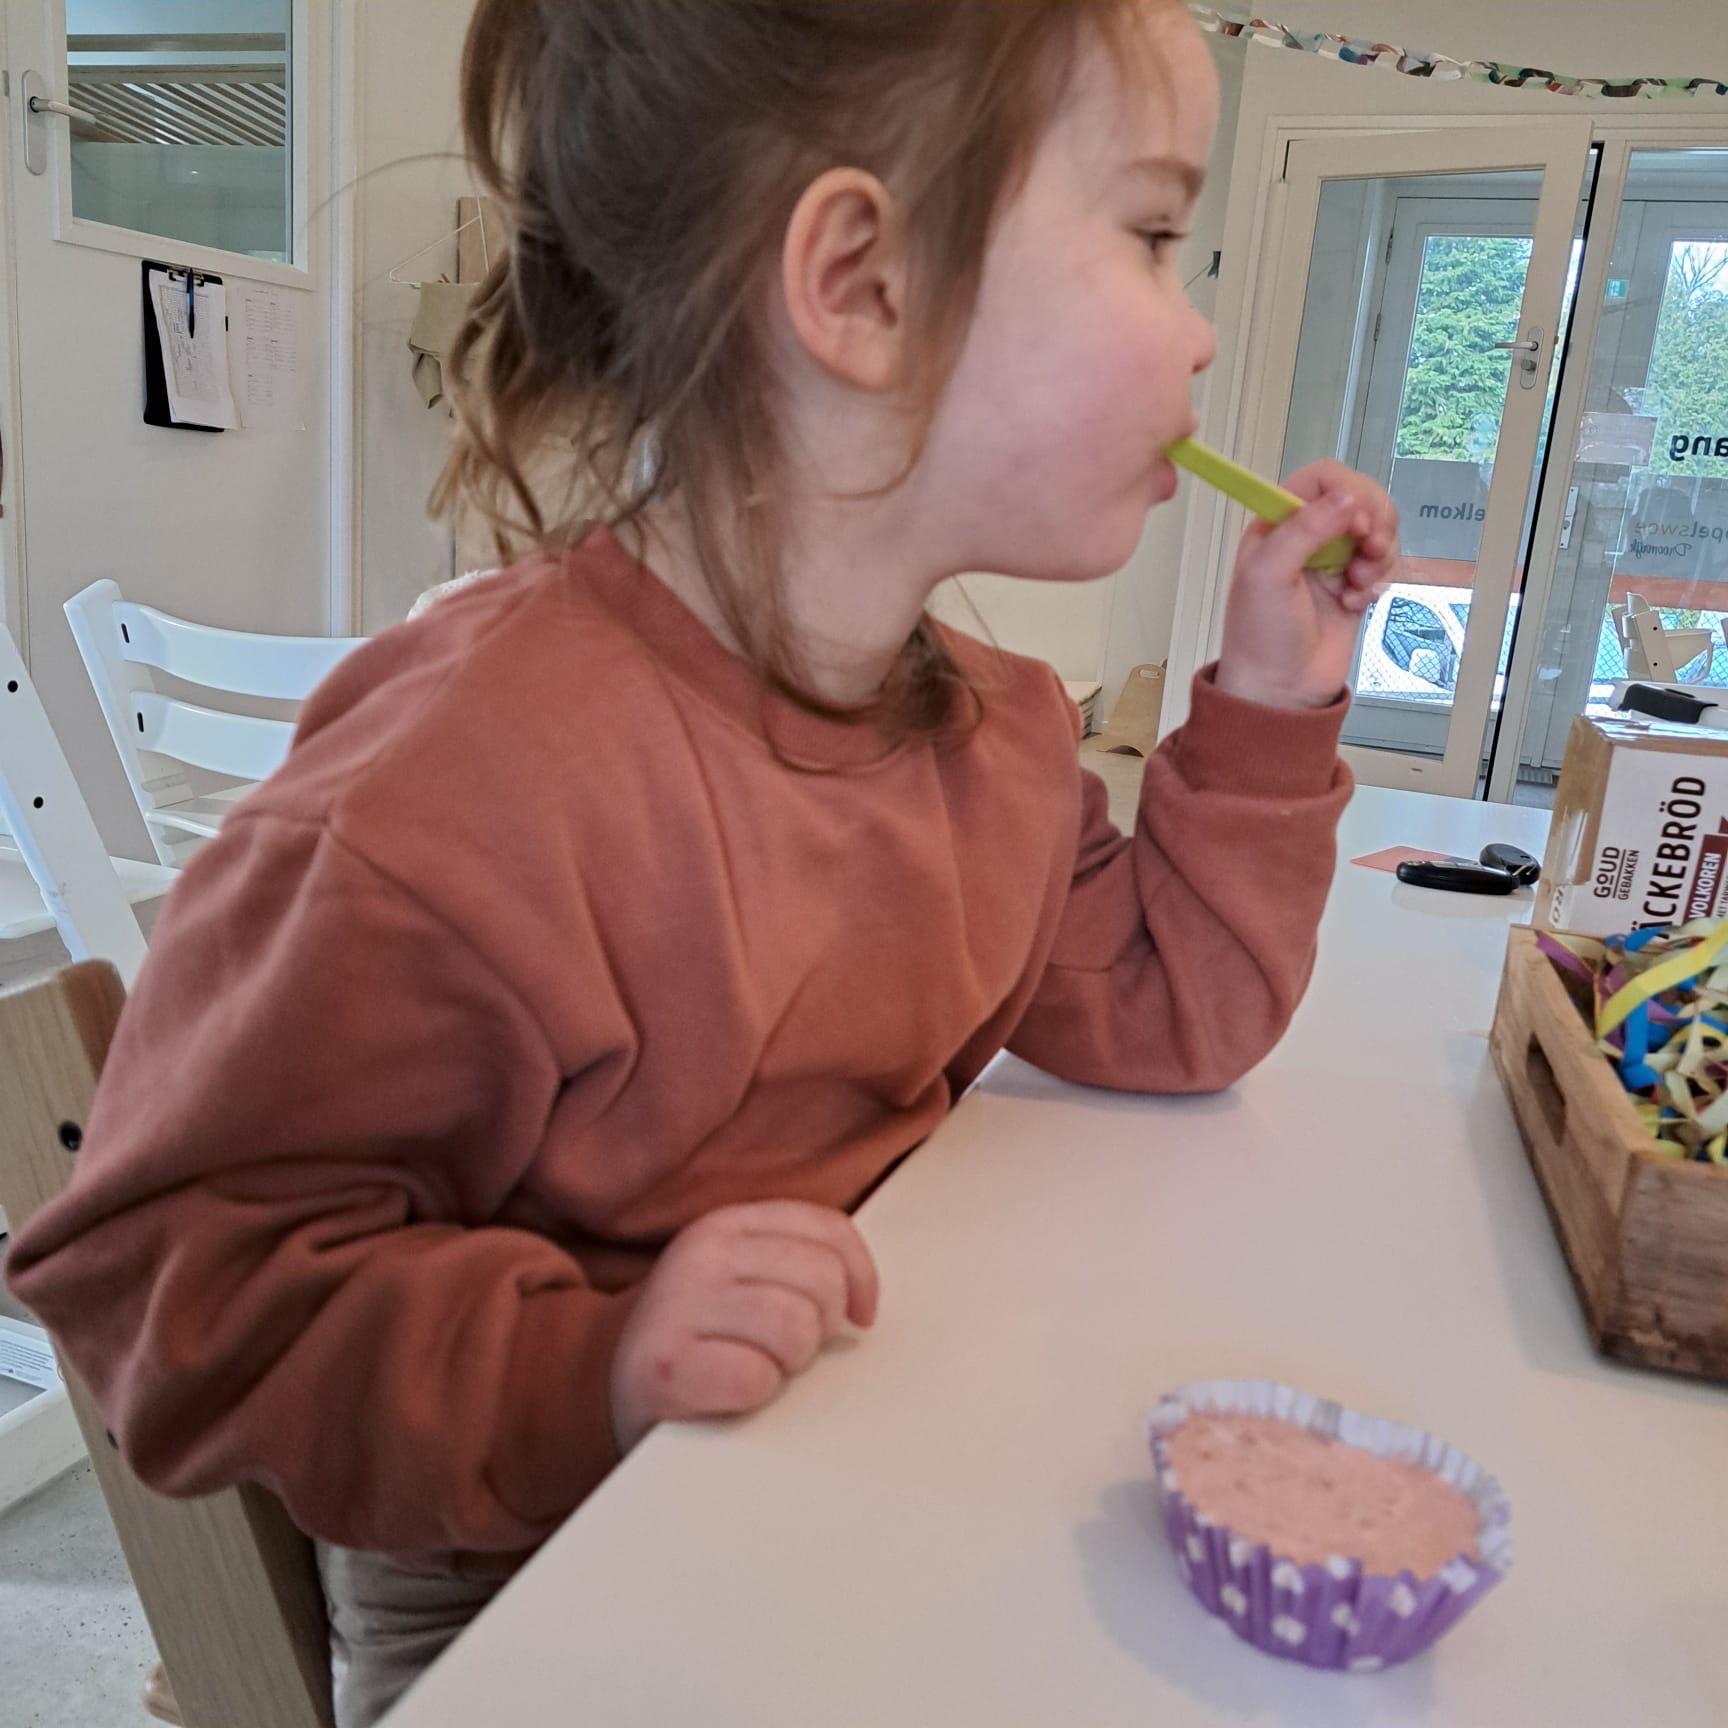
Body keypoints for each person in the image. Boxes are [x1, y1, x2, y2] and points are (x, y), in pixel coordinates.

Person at [7, 2, 1397, 1722]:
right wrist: (593, 1363)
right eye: (1153, 232)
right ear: (861, 287)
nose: (1200, 329)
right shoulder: (459, 791)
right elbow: (169, 1294)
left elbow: (1180, 1010)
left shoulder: (1004, 741)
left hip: (845, 1459)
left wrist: (1274, 694)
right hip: (532, 1569)